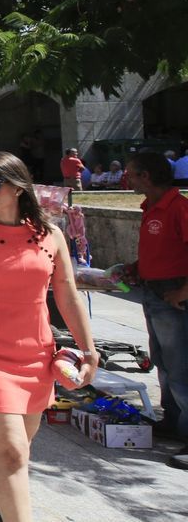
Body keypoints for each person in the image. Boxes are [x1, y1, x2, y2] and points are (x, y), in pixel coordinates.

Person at [0, 152, 99, 521]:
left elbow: (69, 295)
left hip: (37, 356)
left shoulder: (51, 235)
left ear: (18, 186)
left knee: (19, 449)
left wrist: (89, 350)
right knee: (11, 452)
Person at [124, 151, 188, 470]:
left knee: (181, 366)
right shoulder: (151, 207)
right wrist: (136, 269)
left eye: (132, 174)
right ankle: (173, 421)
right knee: (163, 363)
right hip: (154, 291)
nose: (128, 179)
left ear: (146, 176)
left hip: (172, 293)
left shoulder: (179, 207)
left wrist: (183, 291)